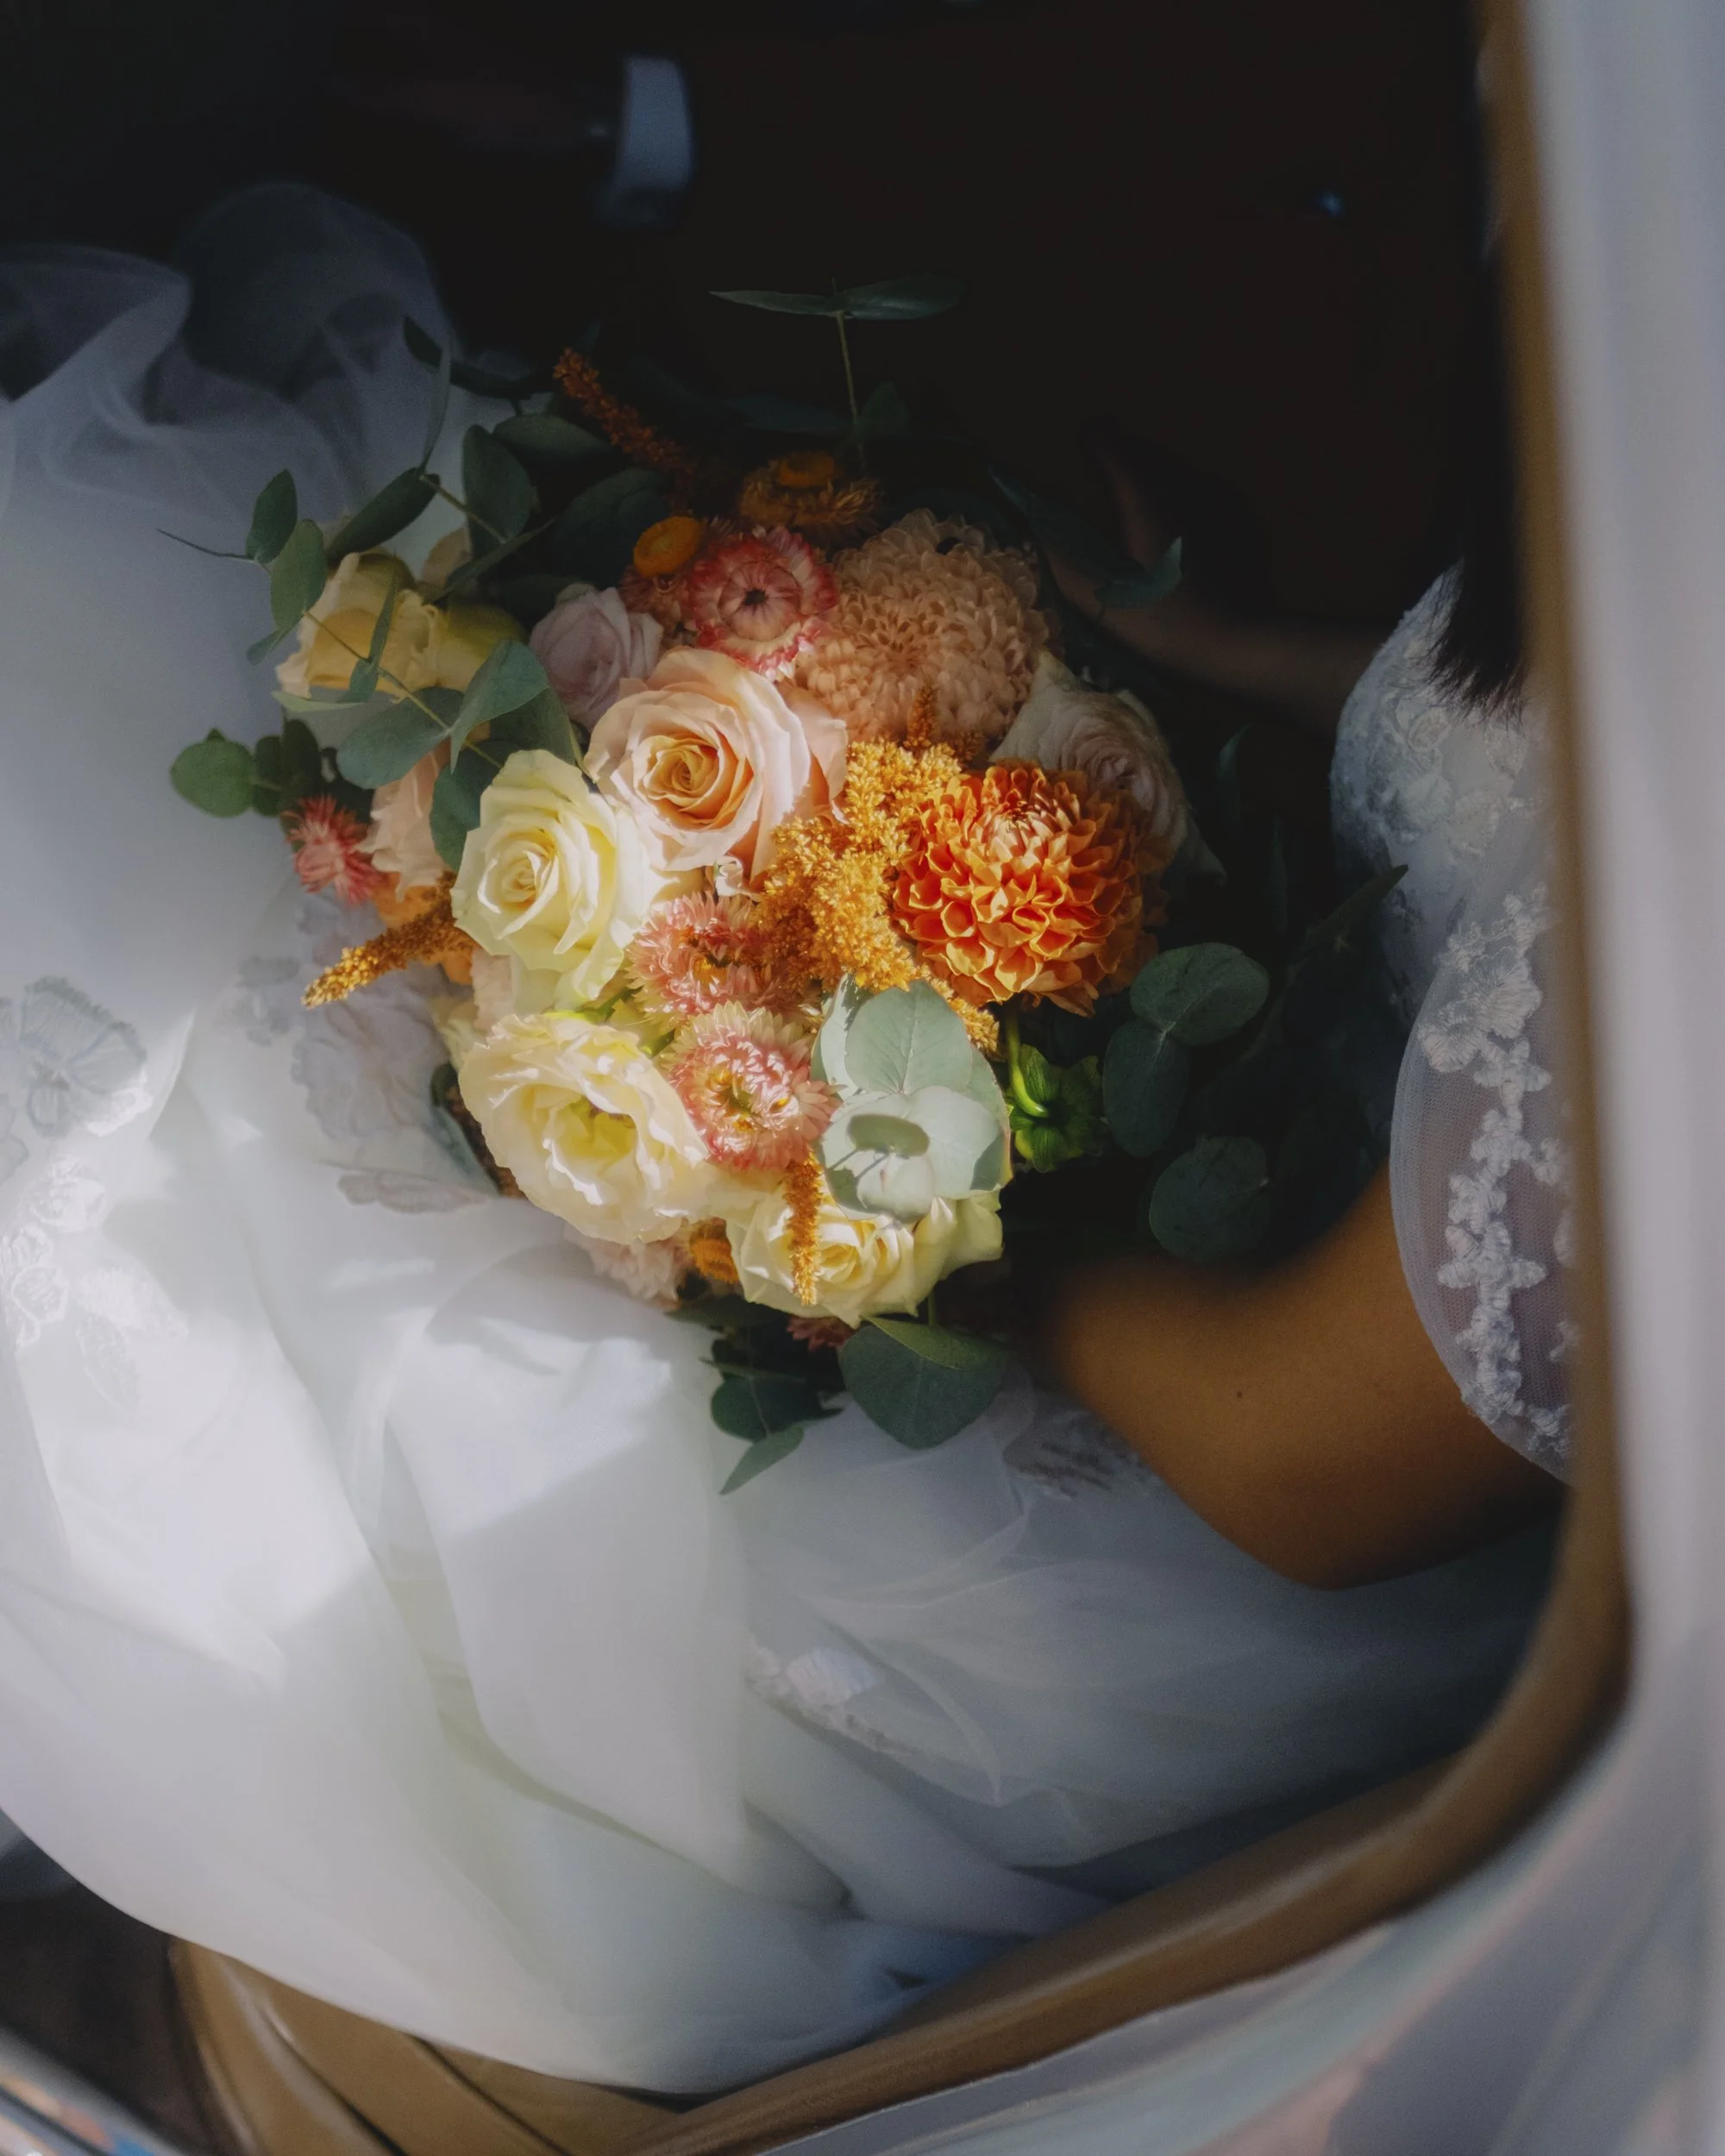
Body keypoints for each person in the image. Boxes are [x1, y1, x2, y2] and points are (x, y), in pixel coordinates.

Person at [0, 185, 1564, 2093]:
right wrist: (1210, 647)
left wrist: (912, 1224)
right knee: (281, 929)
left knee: (366, 1297)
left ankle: (121, 1978)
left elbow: (1305, 1464)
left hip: (1238, 1478)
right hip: (1227, 1168)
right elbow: (1522, 747)